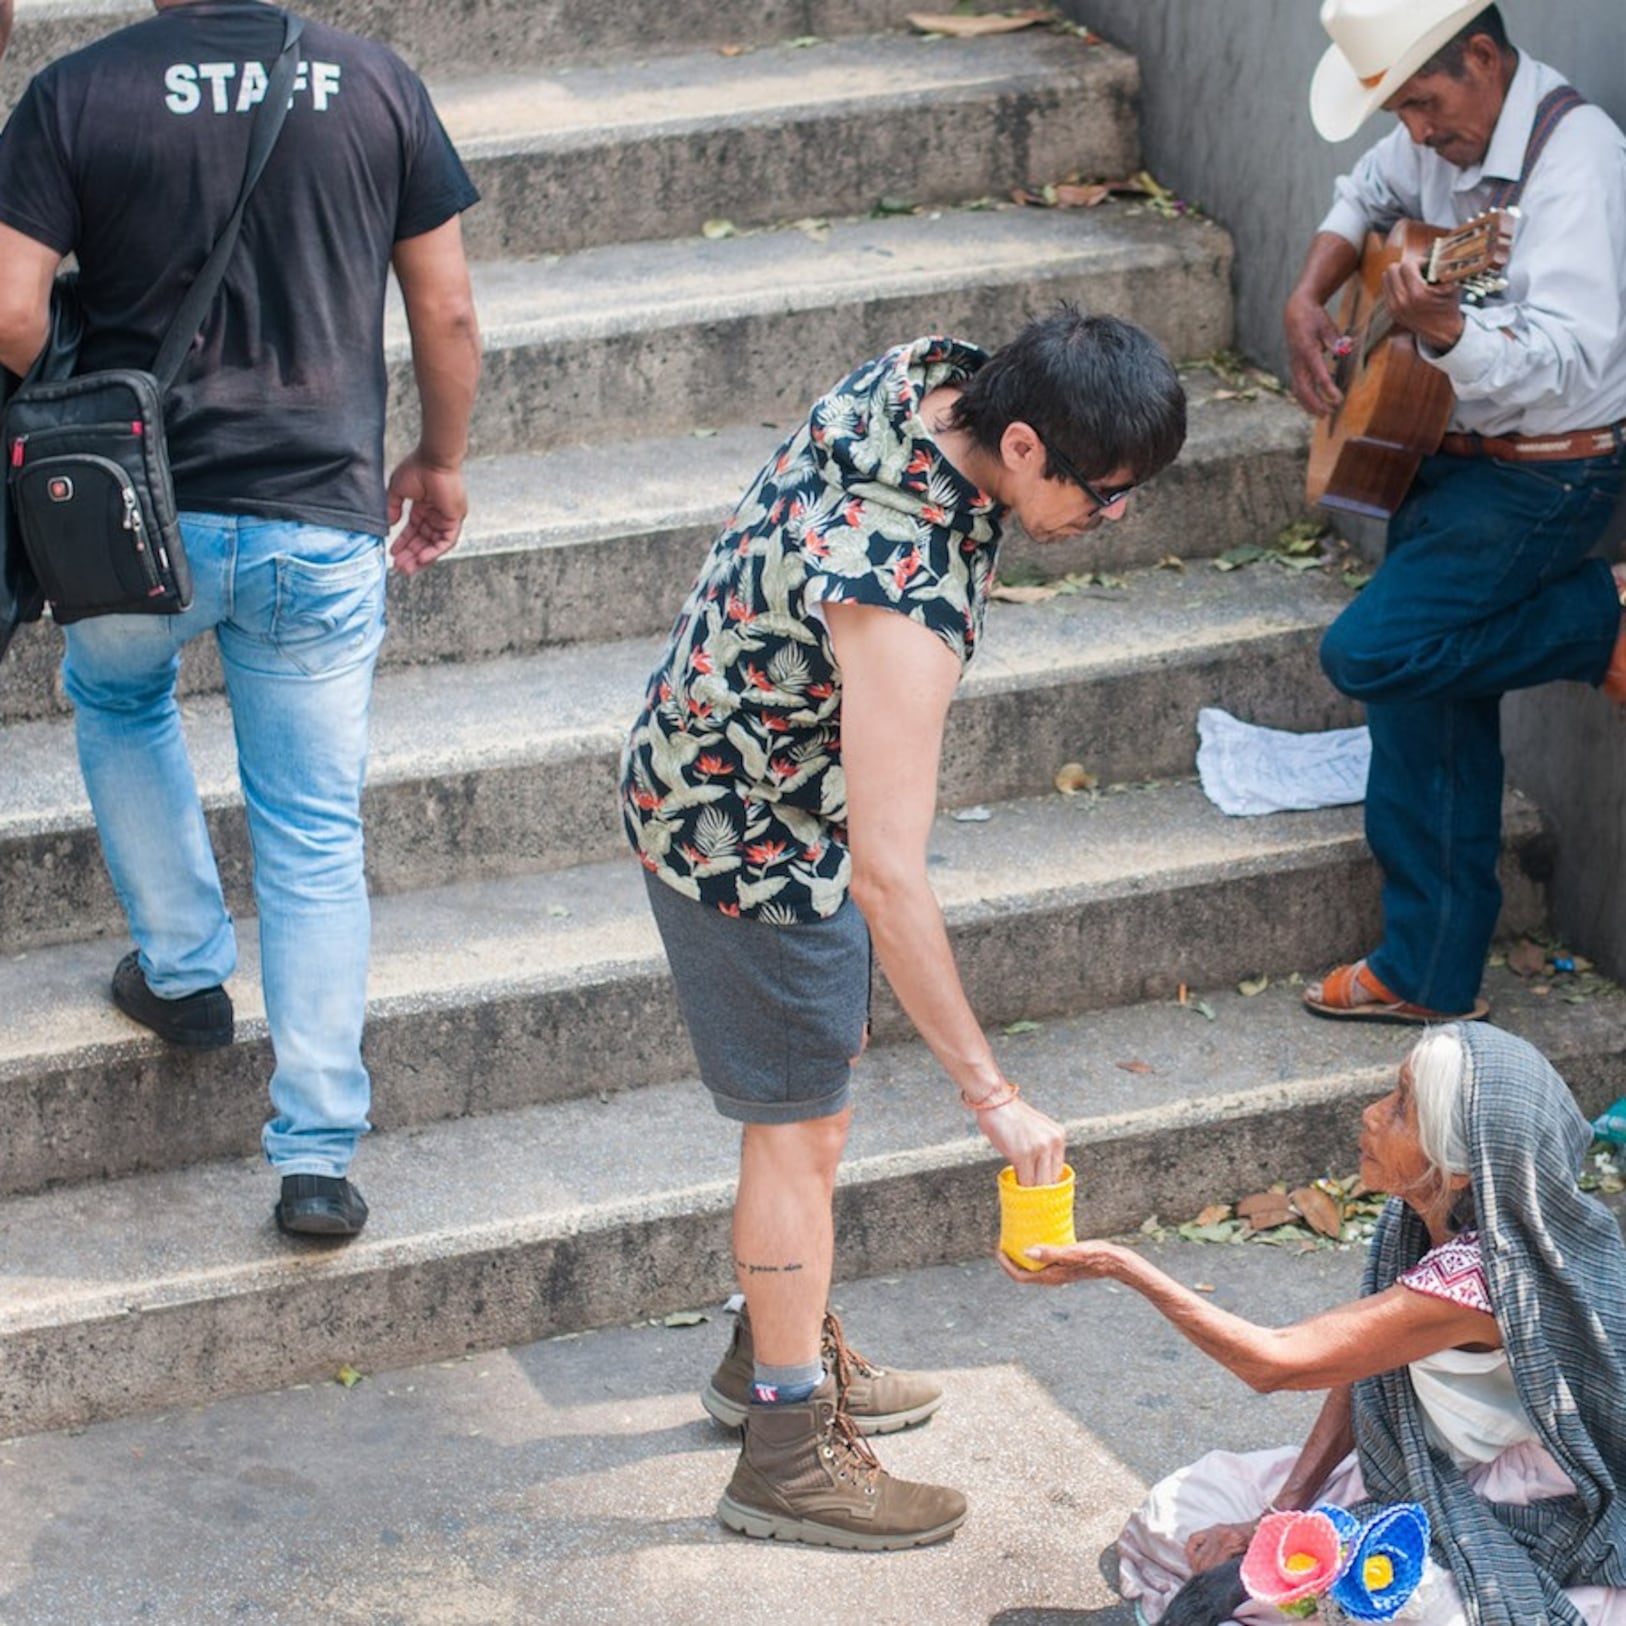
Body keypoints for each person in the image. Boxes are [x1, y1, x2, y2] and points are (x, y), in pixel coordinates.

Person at [620, 309, 1187, 1549]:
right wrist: (995, 1095)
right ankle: (782, 1448)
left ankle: (771, 1345)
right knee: (799, 1135)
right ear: (1026, 445)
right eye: (1104, 495)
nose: (1114, 518)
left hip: (729, 747)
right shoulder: (902, 593)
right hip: (743, 830)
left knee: (809, 1109)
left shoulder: (933, 376)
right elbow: (889, 878)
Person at [0, 0, 481, 1237]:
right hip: (319, 517)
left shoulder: (78, 90)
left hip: (129, 505)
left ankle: (182, 972)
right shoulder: (377, 85)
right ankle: (316, 1156)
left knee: (114, 697)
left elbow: (9, 314)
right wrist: (439, 456)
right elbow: (447, 313)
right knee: (313, 831)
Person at [1004, 1022, 1626, 1625]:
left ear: (1457, 1168)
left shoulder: (1477, 1282)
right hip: (1413, 1468)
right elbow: (1359, 1369)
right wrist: (1277, 1515)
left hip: (1519, 1503)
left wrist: (1123, 1266)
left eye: (1403, 1107)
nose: (1373, 1114)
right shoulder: (1418, 1218)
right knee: (1177, 1513)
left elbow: (1278, 1362)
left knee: (1357, 1604)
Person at [1283, 0, 1626, 1026]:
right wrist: (1313, 292)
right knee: (1427, 696)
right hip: (1444, 455)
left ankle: (1600, 623)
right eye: (1403, 111)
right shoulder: (1431, 134)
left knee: (1369, 652)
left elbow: (1574, 368)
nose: (1420, 133)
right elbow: (1366, 190)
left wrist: (1442, 336)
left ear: (1482, 56)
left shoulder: (1581, 165)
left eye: (1426, 105)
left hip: (1549, 475)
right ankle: (1427, 969)